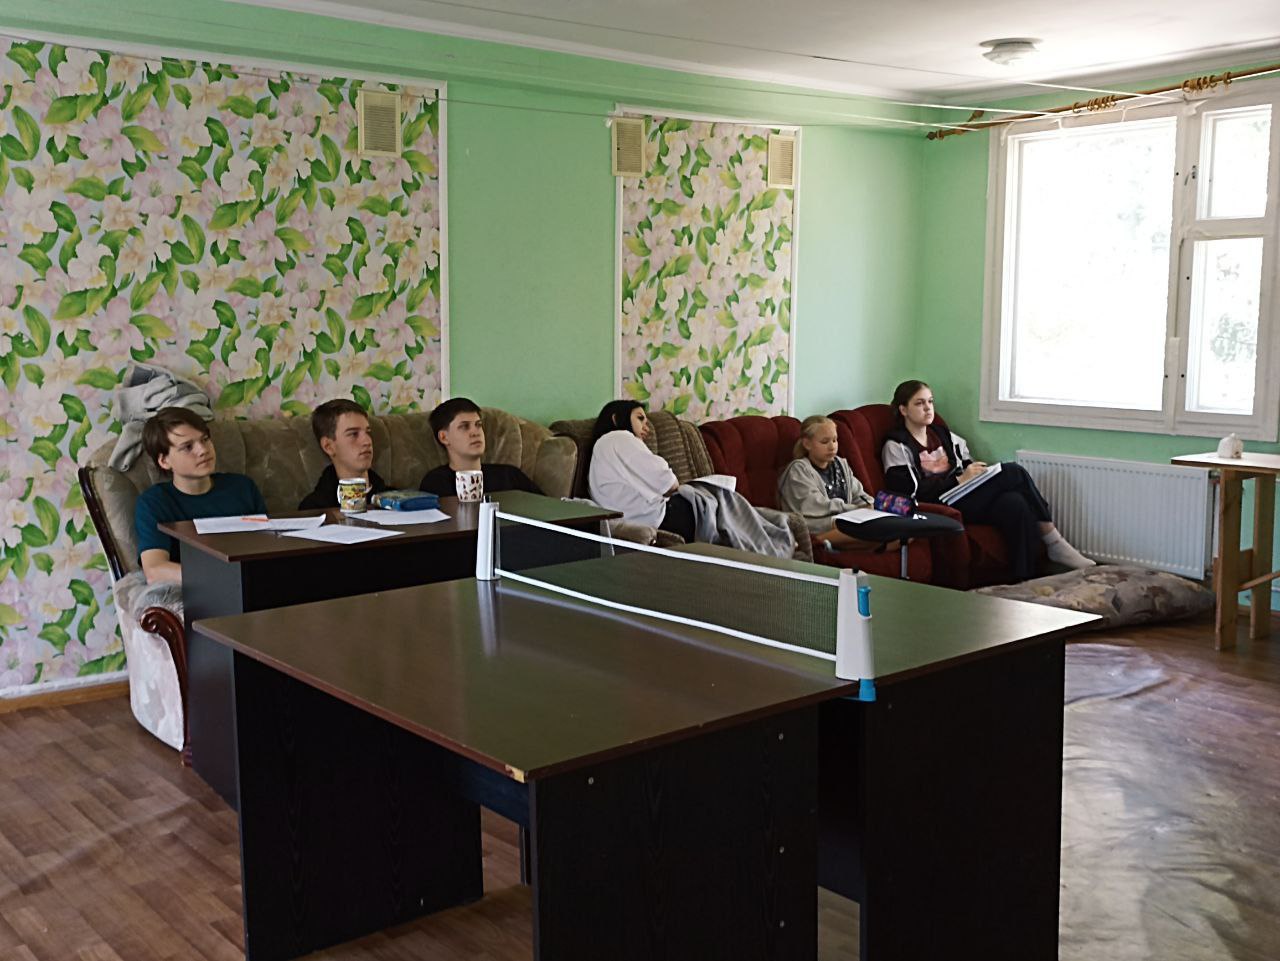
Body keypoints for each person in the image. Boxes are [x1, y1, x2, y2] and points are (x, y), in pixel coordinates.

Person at [881, 379, 1094, 580]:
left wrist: (975, 474)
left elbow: (965, 463)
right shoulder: (896, 445)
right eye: (919, 403)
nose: (928, 408)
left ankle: (1024, 578)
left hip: (962, 496)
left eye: (930, 401)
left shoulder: (943, 435)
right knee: (1014, 472)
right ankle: (1053, 540)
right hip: (937, 504)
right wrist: (958, 481)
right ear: (903, 410)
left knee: (1014, 503)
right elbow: (908, 491)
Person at [134, 407, 267, 584]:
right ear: (164, 461)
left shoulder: (243, 487)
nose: (203, 450)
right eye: (187, 447)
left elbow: (267, 545)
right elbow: (155, 570)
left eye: (205, 439)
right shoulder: (153, 502)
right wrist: (223, 579)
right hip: (204, 587)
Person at [588, 400, 695, 540]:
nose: (647, 429)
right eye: (640, 418)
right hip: (654, 518)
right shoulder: (619, 437)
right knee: (711, 499)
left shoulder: (602, 448)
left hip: (630, 519)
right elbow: (669, 484)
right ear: (616, 419)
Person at [777, 416, 887, 553]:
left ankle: (842, 546)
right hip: (816, 521)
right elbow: (815, 506)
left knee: (899, 536)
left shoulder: (841, 464)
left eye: (835, 440)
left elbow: (859, 495)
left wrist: (869, 505)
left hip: (846, 518)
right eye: (825, 442)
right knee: (863, 529)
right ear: (807, 444)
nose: (832, 446)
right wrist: (854, 509)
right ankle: (815, 543)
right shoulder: (799, 470)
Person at [419, 397, 541, 497]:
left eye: (478, 425)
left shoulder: (509, 475)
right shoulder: (436, 482)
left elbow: (547, 509)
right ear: (444, 437)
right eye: (464, 426)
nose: (475, 432)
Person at [298, 399, 390, 509]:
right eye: (353, 434)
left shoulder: (395, 500)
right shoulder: (314, 508)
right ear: (328, 446)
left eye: (368, 432)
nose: (367, 441)